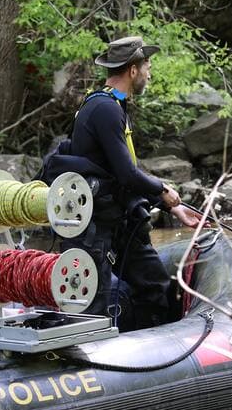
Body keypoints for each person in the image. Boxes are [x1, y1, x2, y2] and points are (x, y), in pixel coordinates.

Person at [40, 36, 199, 331]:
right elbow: (126, 174)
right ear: (134, 70)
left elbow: (118, 173)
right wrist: (162, 190)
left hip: (120, 220)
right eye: (147, 67)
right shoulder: (105, 109)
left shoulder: (112, 105)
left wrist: (172, 207)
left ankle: (153, 353)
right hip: (96, 227)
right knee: (93, 308)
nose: (149, 73)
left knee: (156, 287)